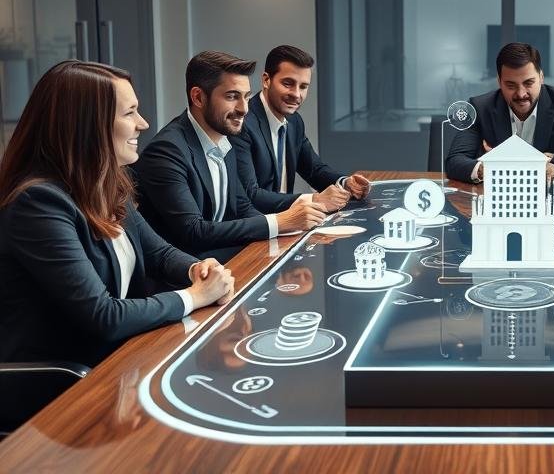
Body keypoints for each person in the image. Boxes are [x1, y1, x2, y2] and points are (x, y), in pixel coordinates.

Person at [0, 61, 234, 366]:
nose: (143, 123)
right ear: (87, 126)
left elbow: (159, 254)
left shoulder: (106, 184)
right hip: (64, 385)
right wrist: (196, 296)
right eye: (129, 113)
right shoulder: (37, 203)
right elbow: (104, 315)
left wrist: (198, 270)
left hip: (120, 357)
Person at [135, 51, 326, 262]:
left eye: (246, 96)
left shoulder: (223, 138)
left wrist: (284, 230)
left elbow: (242, 206)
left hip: (218, 259)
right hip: (182, 272)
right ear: (198, 97)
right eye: (232, 96)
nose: (244, 109)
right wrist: (280, 222)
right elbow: (193, 232)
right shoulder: (166, 151)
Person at [231, 45, 371, 214]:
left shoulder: (294, 121)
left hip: (290, 223)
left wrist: (345, 183)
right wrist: (314, 199)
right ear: (266, 80)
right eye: (288, 83)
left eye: (303, 86)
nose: (297, 94)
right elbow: (251, 195)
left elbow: (314, 169)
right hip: (258, 227)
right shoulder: (242, 123)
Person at [446, 42, 554, 183]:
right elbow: (454, 161)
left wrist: (553, 163)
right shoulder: (479, 107)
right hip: (497, 199)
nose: (521, 93)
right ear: (499, 82)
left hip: (550, 199)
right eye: (511, 85)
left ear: (541, 78)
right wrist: (485, 169)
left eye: (528, 83)